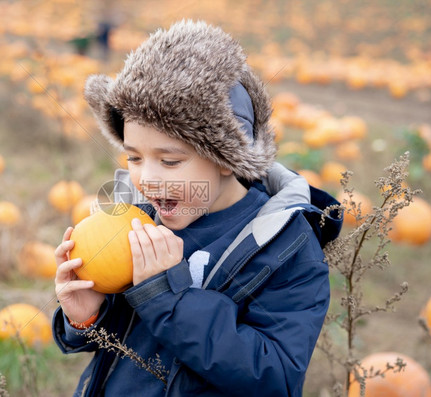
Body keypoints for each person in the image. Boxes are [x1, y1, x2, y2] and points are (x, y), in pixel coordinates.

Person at [53, 20, 342, 396]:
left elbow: (277, 376)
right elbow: (122, 343)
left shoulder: (285, 247)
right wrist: (88, 316)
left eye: (170, 161)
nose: (148, 179)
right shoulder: (137, 219)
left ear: (227, 157)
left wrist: (167, 299)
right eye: (134, 157)